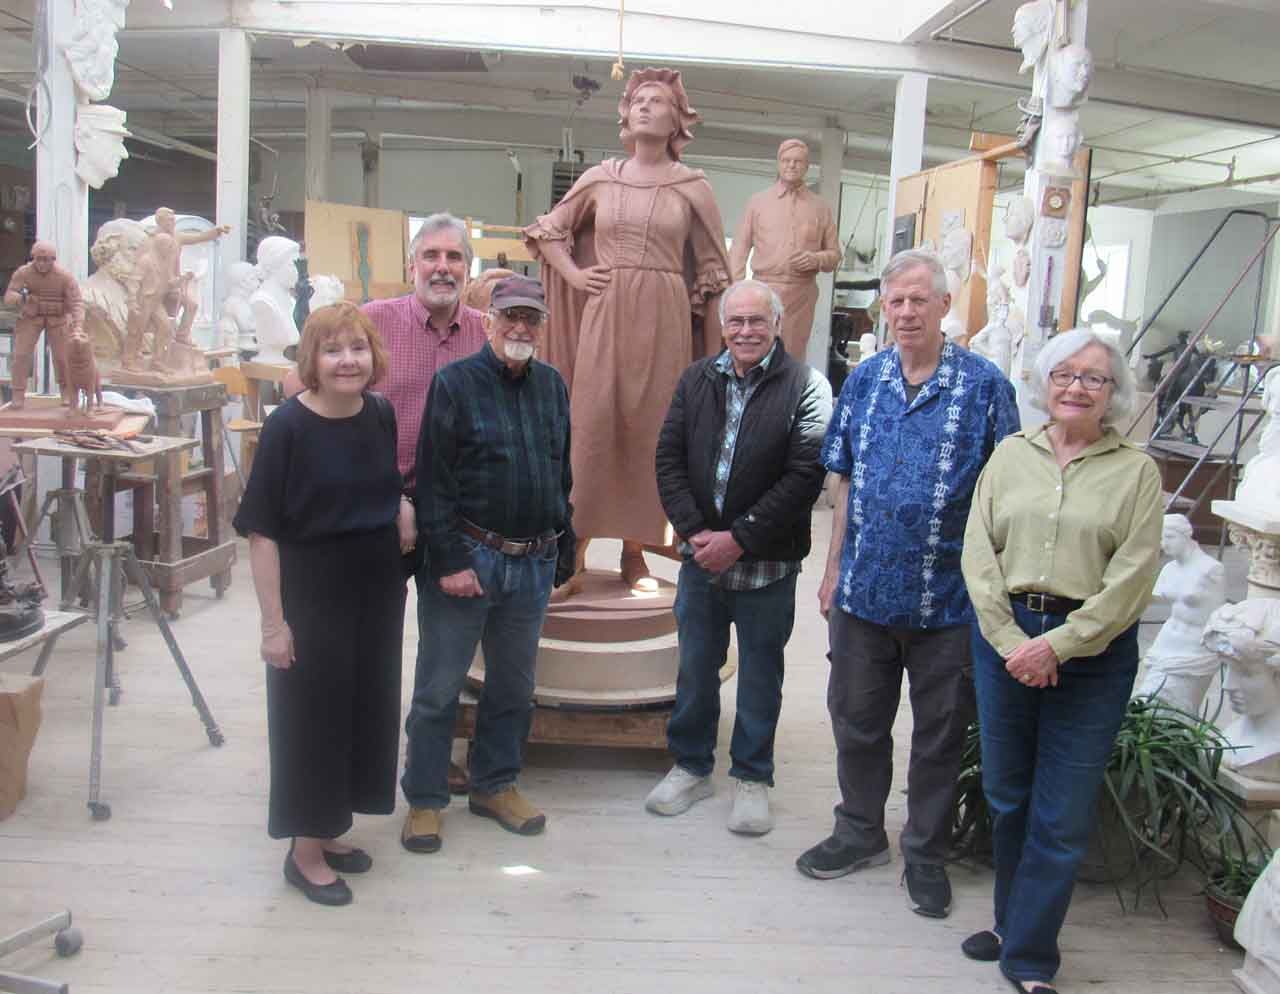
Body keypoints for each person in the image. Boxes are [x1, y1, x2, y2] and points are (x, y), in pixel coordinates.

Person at [797, 248, 1020, 920]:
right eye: (895, 301)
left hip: (949, 601)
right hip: (863, 596)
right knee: (856, 721)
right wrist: (831, 570)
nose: (905, 312)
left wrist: (996, 596)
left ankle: (925, 852)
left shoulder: (985, 387)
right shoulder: (865, 381)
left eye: (919, 299)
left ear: (945, 305)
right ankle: (860, 831)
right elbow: (843, 482)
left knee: (939, 737)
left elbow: (1006, 496)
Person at [960, 327, 1162, 993]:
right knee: (1007, 795)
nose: (1077, 387)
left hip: (1092, 652)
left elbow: (1133, 576)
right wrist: (1013, 642)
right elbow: (978, 554)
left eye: (1093, 377)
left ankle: (1029, 957)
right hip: (1008, 639)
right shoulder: (1009, 456)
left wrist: (1059, 644)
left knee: (1063, 814)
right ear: (1044, 384)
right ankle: (1011, 923)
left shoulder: (1136, 471)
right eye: (1064, 374)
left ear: (1114, 392)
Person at [234, 302, 414, 907]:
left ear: (373, 355)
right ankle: (303, 853)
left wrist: (403, 505)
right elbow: (262, 532)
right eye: (333, 350)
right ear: (312, 358)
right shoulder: (287, 426)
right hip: (311, 593)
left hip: (376, 590)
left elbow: (381, 483)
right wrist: (273, 625)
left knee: (363, 711)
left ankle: (331, 826)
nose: (347, 361)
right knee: (311, 721)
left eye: (357, 348)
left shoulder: (380, 413)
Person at [525, 67, 731, 595]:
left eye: (656, 100)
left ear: (676, 119)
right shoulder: (602, 177)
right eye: (637, 99)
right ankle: (574, 549)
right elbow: (549, 231)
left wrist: (718, 346)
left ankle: (635, 551)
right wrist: (574, 275)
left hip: (665, 318)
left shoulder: (692, 186)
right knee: (592, 424)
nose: (643, 106)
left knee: (653, 432)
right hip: (606, 309)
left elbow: (714, 269)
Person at [647, 279, 832, 835]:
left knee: (759, 673)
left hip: (767, 565)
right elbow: (668, 459)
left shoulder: (807, 386)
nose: (746, 331)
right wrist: (698, 532)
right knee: (695, 668)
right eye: (736, 321)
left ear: (777, 324)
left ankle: (752, 777)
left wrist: (740, 539)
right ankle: (691, 766)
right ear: (722, 326)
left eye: (757, 321)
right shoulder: (696, 380)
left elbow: (805, 476)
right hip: (701, 559)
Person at [400, 275, 574, 854]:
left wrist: (564, 542)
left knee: (513, 687)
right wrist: (449, 560)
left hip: (532, 562)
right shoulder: (454, 384)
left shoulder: (552, 386)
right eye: (510, 317)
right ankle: (426, 799)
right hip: (468, 560)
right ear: (488, 323)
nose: (520, 327)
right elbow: (434, 481)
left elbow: (560, 469)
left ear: (542, 327)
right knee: (439, 688)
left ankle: (494, 785)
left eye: (531, 318)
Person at [364, 212, 487, 794]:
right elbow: (326, 402)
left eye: (453, 257)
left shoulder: (488, 334)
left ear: (468, 269)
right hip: (378, 511)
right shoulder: (372, 323)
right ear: (410, 264)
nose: (442, 267)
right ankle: (363, 755)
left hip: (454, 520)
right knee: (372, 641)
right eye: (431, 256)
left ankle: (428, 753)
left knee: (445, 652)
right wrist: (390, 497)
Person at [728, 139, 841, 358]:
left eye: (797, 161)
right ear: (778, 163)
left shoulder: (820, 207)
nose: (791, 165)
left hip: (802, 294)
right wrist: (736, 292)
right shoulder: (758, 203)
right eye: (786, 160)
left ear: (807, 166)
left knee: (792, 356)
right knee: (756, 352)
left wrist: (816, 259)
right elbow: (739, 249)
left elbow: (835, 255)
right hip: (764, 291)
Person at [3, 241, 84, 409]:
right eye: (38, 259)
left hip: (57, 318)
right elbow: (9, 296)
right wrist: (22, 298)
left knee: (62, 357)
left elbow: (77, 303)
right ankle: (18, 393)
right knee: (21, 355)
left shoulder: (64, 277)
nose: (41, 263)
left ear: (53, 260)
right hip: (31, 317)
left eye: (46, 259)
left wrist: (78, 326)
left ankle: (67, 392)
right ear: (33, 258)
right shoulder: (23, 272)